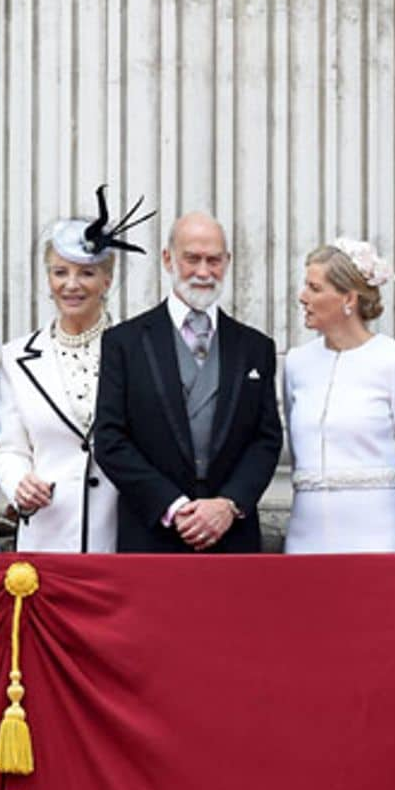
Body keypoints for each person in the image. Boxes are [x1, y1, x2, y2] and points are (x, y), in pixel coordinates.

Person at [94, 212, 283, 553]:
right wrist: (174, 506)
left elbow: (266, 440)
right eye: (192, 258)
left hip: (232, 537)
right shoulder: (124, 342)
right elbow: (109, 439)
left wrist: (228, 504)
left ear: (227, 262)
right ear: (168, 259)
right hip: (151, 535)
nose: (203, 272)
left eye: (214, 260)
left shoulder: (255, 347)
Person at [0, 189, 151, 553]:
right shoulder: (16, 358)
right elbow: (8, 447)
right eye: (60, 272)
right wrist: (19, 484)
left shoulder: (139, 352)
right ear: (48, 279)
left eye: (87, 273)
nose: (72, 284)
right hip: (48, 533)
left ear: (107, 281)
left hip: (122, 536)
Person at [283, 238, 395, 553]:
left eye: (314, 288)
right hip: (305, 534)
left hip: (378, 533)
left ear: (348, 298)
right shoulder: (297, 363)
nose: (302, 296)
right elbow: (299, 457)